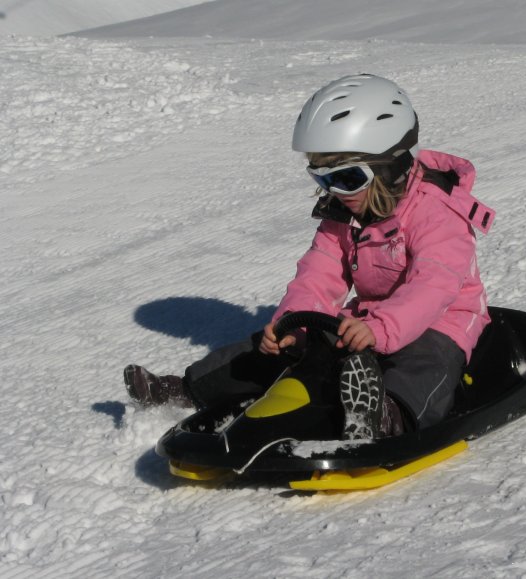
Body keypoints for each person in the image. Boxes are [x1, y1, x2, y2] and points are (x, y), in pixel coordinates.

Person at [124, 73, 495, 440]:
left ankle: (387, 417)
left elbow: (434, 286)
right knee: (274, 347)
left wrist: (381, 328)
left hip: (443, 319)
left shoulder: (438, 213)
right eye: (322, 178)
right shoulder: (346, 212)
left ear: (390, 165)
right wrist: (292, 326)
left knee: (426, 362)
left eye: (347, 178)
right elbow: (319, 274)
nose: (334, 190)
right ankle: (188, 392)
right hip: (368, 320)